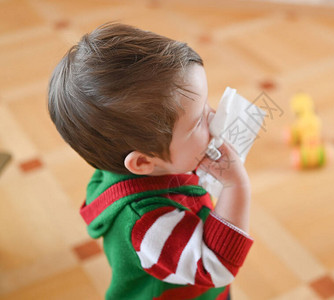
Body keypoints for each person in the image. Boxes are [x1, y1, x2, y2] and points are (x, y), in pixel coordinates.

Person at [48, 23, 253, 300]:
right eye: (197, 122)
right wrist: (236, 185)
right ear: (143, 163)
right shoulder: (147, 224)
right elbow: (214, 267)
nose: (214, 115)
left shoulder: (150, 161)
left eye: (206, 104)